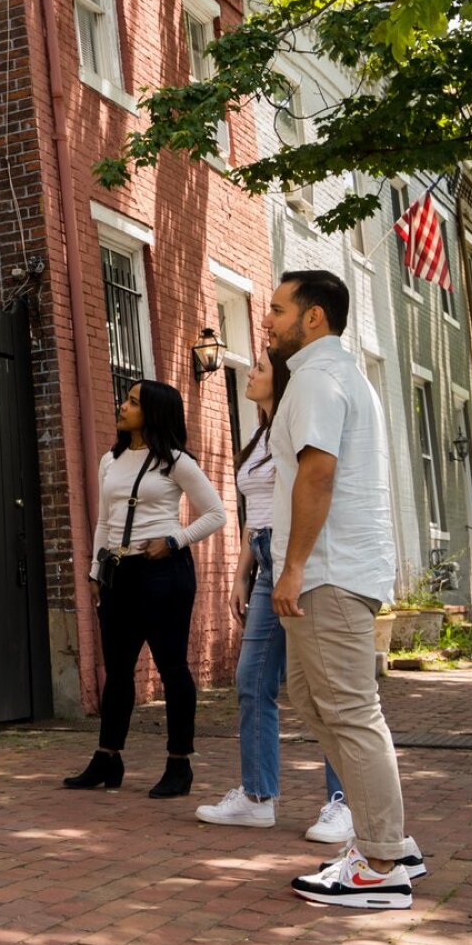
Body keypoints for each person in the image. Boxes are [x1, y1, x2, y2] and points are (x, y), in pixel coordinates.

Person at [265, 270, 424, 908]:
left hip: (326, 572)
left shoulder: (317, 379)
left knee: (353, 713)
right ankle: (388, 842)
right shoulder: (338, 374)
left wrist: (294, 565)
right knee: (312, 700)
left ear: (313, 318)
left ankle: (383, 864)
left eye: (277, 309)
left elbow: (318, 474)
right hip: (335, 569)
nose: (268, 319)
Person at [195, 351, 352, 841]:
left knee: (325, 689)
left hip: (296, 561)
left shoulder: (291, 428)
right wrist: (243, 572)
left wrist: (294, 566)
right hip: (265, 560)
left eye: (260, 368)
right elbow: (255, 512)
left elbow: (308, 494)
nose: (251, 373)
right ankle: (258, 796)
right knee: (251, 680)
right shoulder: (261, 435)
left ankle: (344, 802)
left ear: (279, 379)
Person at [64, 380, 225, 798]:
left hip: (164, 572)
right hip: (120, 571)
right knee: (117, 670)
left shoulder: (174, 462)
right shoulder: (110, 460)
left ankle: (179, 764)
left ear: (153, 412)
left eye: (134, 402)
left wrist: (174, 540)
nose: (123, 405)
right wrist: (95, 571)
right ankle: (107, 757)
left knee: (172, 668)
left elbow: (216, 513)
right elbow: (104, 520)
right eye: (126, 399)